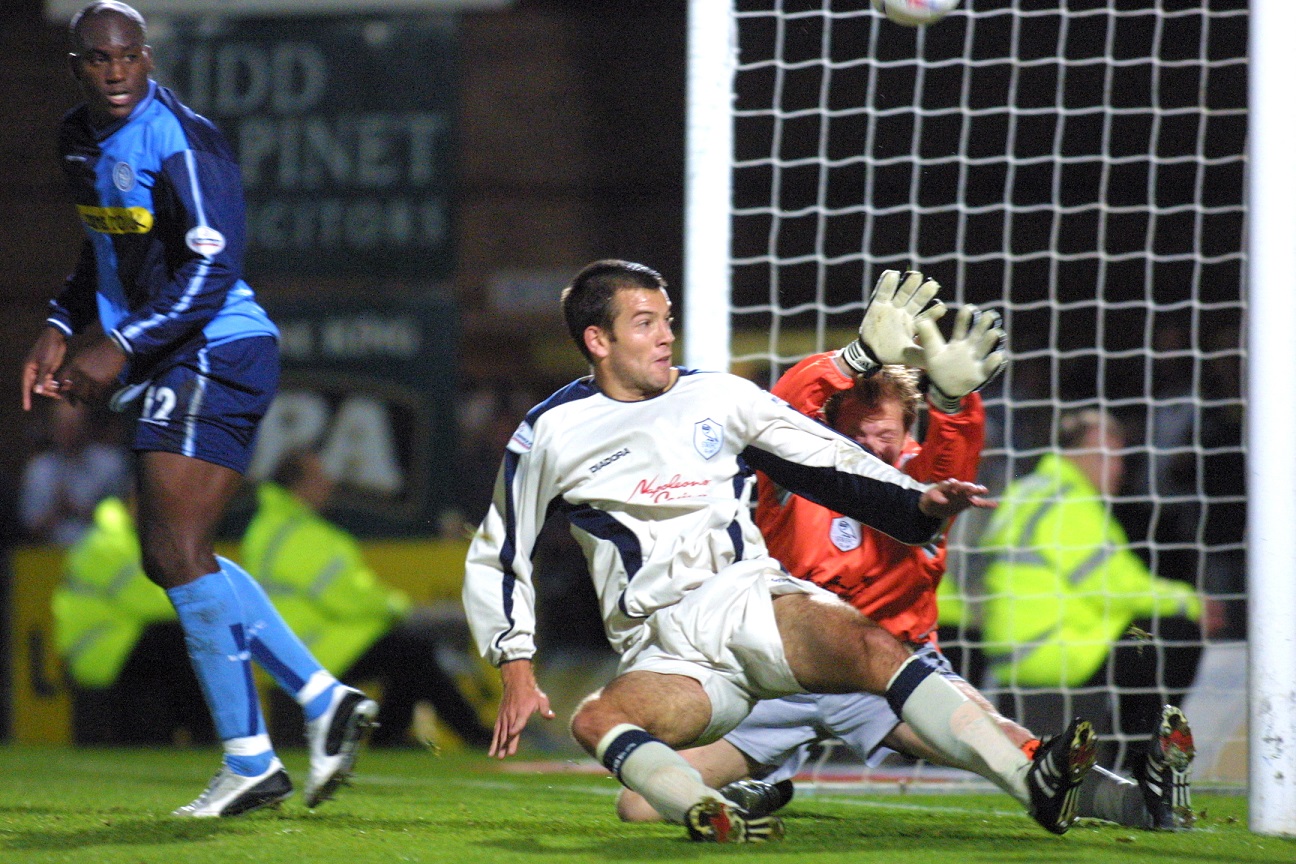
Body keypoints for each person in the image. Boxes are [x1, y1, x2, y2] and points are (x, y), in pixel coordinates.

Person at [462, 260, 1098, 844]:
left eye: (668, 321)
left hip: (744, 600)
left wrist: (917, 502)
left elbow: (825, 454)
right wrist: (515, 662)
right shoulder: (552, 431)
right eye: (645, 323)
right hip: (663, 647)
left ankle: (1032, 781)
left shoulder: (718, 397)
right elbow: (500, 548)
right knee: (595, 720)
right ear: (598, 340)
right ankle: (710, 811)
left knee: (872, 646)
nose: (665, 337)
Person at [21, 1, 376, 817]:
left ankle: (252, 758)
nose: (115, 72)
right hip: (172, 355)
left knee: (177, 550)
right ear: (77, 66)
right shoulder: (78, 138)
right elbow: (104, 248)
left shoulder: (184, 140)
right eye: (98, 59)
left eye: (128, 56)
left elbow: (214, 270)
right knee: (171, 555)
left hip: (217, 347)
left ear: (148, 58)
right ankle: (322, 700)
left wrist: (118, 345)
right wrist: (59, 323)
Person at [616, 338, 1196, 830]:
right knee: (639, 805)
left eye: (884, 434)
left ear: (909, 431)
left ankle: (1140, 800)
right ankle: (748, 794)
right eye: (856, 434)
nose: (871, 447)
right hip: (784, 670)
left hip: (889, 675)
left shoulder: (925, 483)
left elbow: (953, 454)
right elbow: (788, 406)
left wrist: (955, 401)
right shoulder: (800, 472)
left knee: (1020, 762)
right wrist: (850, 358)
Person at [979, 408, 1204, 774]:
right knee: (1168, 634)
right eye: (1108, 456)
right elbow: (1114, 587)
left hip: (1017, 650)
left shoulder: (1029, 489)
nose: (1118, 468)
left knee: (1144, 634)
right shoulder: (1069, 502)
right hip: (1058, 648)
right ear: (1079, 454)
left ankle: (1129, 753)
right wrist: (1190, 602)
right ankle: (1141, 762)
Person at [242, 449, 493, 749]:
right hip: (316, 648)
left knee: (410, 655)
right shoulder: (300, 533)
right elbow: (348, 595)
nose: (328, 484)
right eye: (319, 477)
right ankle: (462, 736)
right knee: (413, 652)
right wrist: (402, 608)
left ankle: (410, 737)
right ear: (299, 485)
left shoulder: (268, 527)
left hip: (290, 651)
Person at [53, 495, 214, 745]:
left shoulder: (118, 539)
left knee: (177, 638)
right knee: (178, 637)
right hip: (101, 651)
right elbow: (154, 605)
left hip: (111, 645)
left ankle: (193, 734)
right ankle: (202, 736)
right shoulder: (109, 545)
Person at [20, 399, 130, 546]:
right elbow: (28, 528)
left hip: (102, 551)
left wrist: (79, 510)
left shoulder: (111, 464)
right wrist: (57, 509)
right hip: (51, 553)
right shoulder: (39, 469)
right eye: (62, 425)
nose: (68, 432)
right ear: (51, 428)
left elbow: (126, 517)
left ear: (87, 426)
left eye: (74, 425)